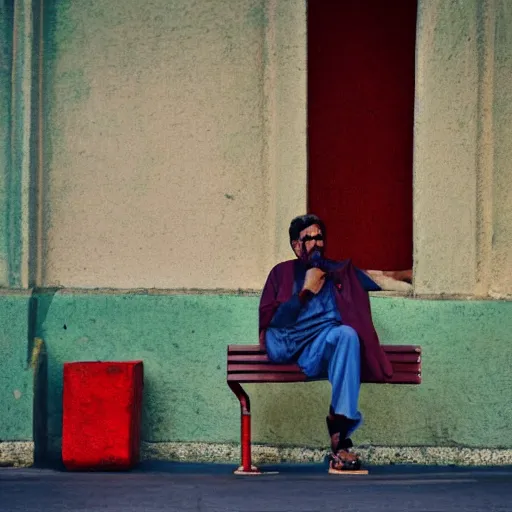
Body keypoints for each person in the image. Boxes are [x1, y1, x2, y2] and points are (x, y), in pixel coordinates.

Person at [258, 214, 410, 473]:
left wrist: (413, 274)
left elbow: (381, 277)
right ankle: (339, 434)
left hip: (324, 350)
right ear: (296, 245)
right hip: (295, 353)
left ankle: (340, 433)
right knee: (340, 334)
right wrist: (305, 292)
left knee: (347, 334)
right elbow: (273, 323)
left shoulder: (336, 272)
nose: (316, 244)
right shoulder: (281, 274)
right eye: (309, 239)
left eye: (320, 238)